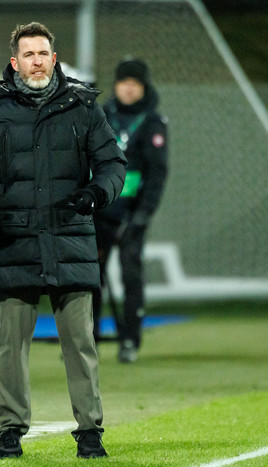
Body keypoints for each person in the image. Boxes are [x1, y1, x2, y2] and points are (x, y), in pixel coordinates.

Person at [0, 22, 126, 459]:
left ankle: (90, 432)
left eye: (43, 53)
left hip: (70, 237)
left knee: (80, 345)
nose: (37, 61)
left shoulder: (83, 108)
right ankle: (10, 429)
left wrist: (97, 192)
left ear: (54, 58)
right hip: (16, 240)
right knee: (11, 348)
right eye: (28, 55)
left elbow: (113, 164)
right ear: (15, 63)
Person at [92, 58, 168, 364]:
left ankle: (129, 340)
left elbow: (157, 173)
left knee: (130, 275)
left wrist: (142, 216)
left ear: (144, 87)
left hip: (131, 216)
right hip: (98, 212)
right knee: (88, 277)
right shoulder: (100, 115)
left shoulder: (153, 122)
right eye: (124, 82)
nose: (128, 88)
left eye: (135, 83)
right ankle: (86, 340)